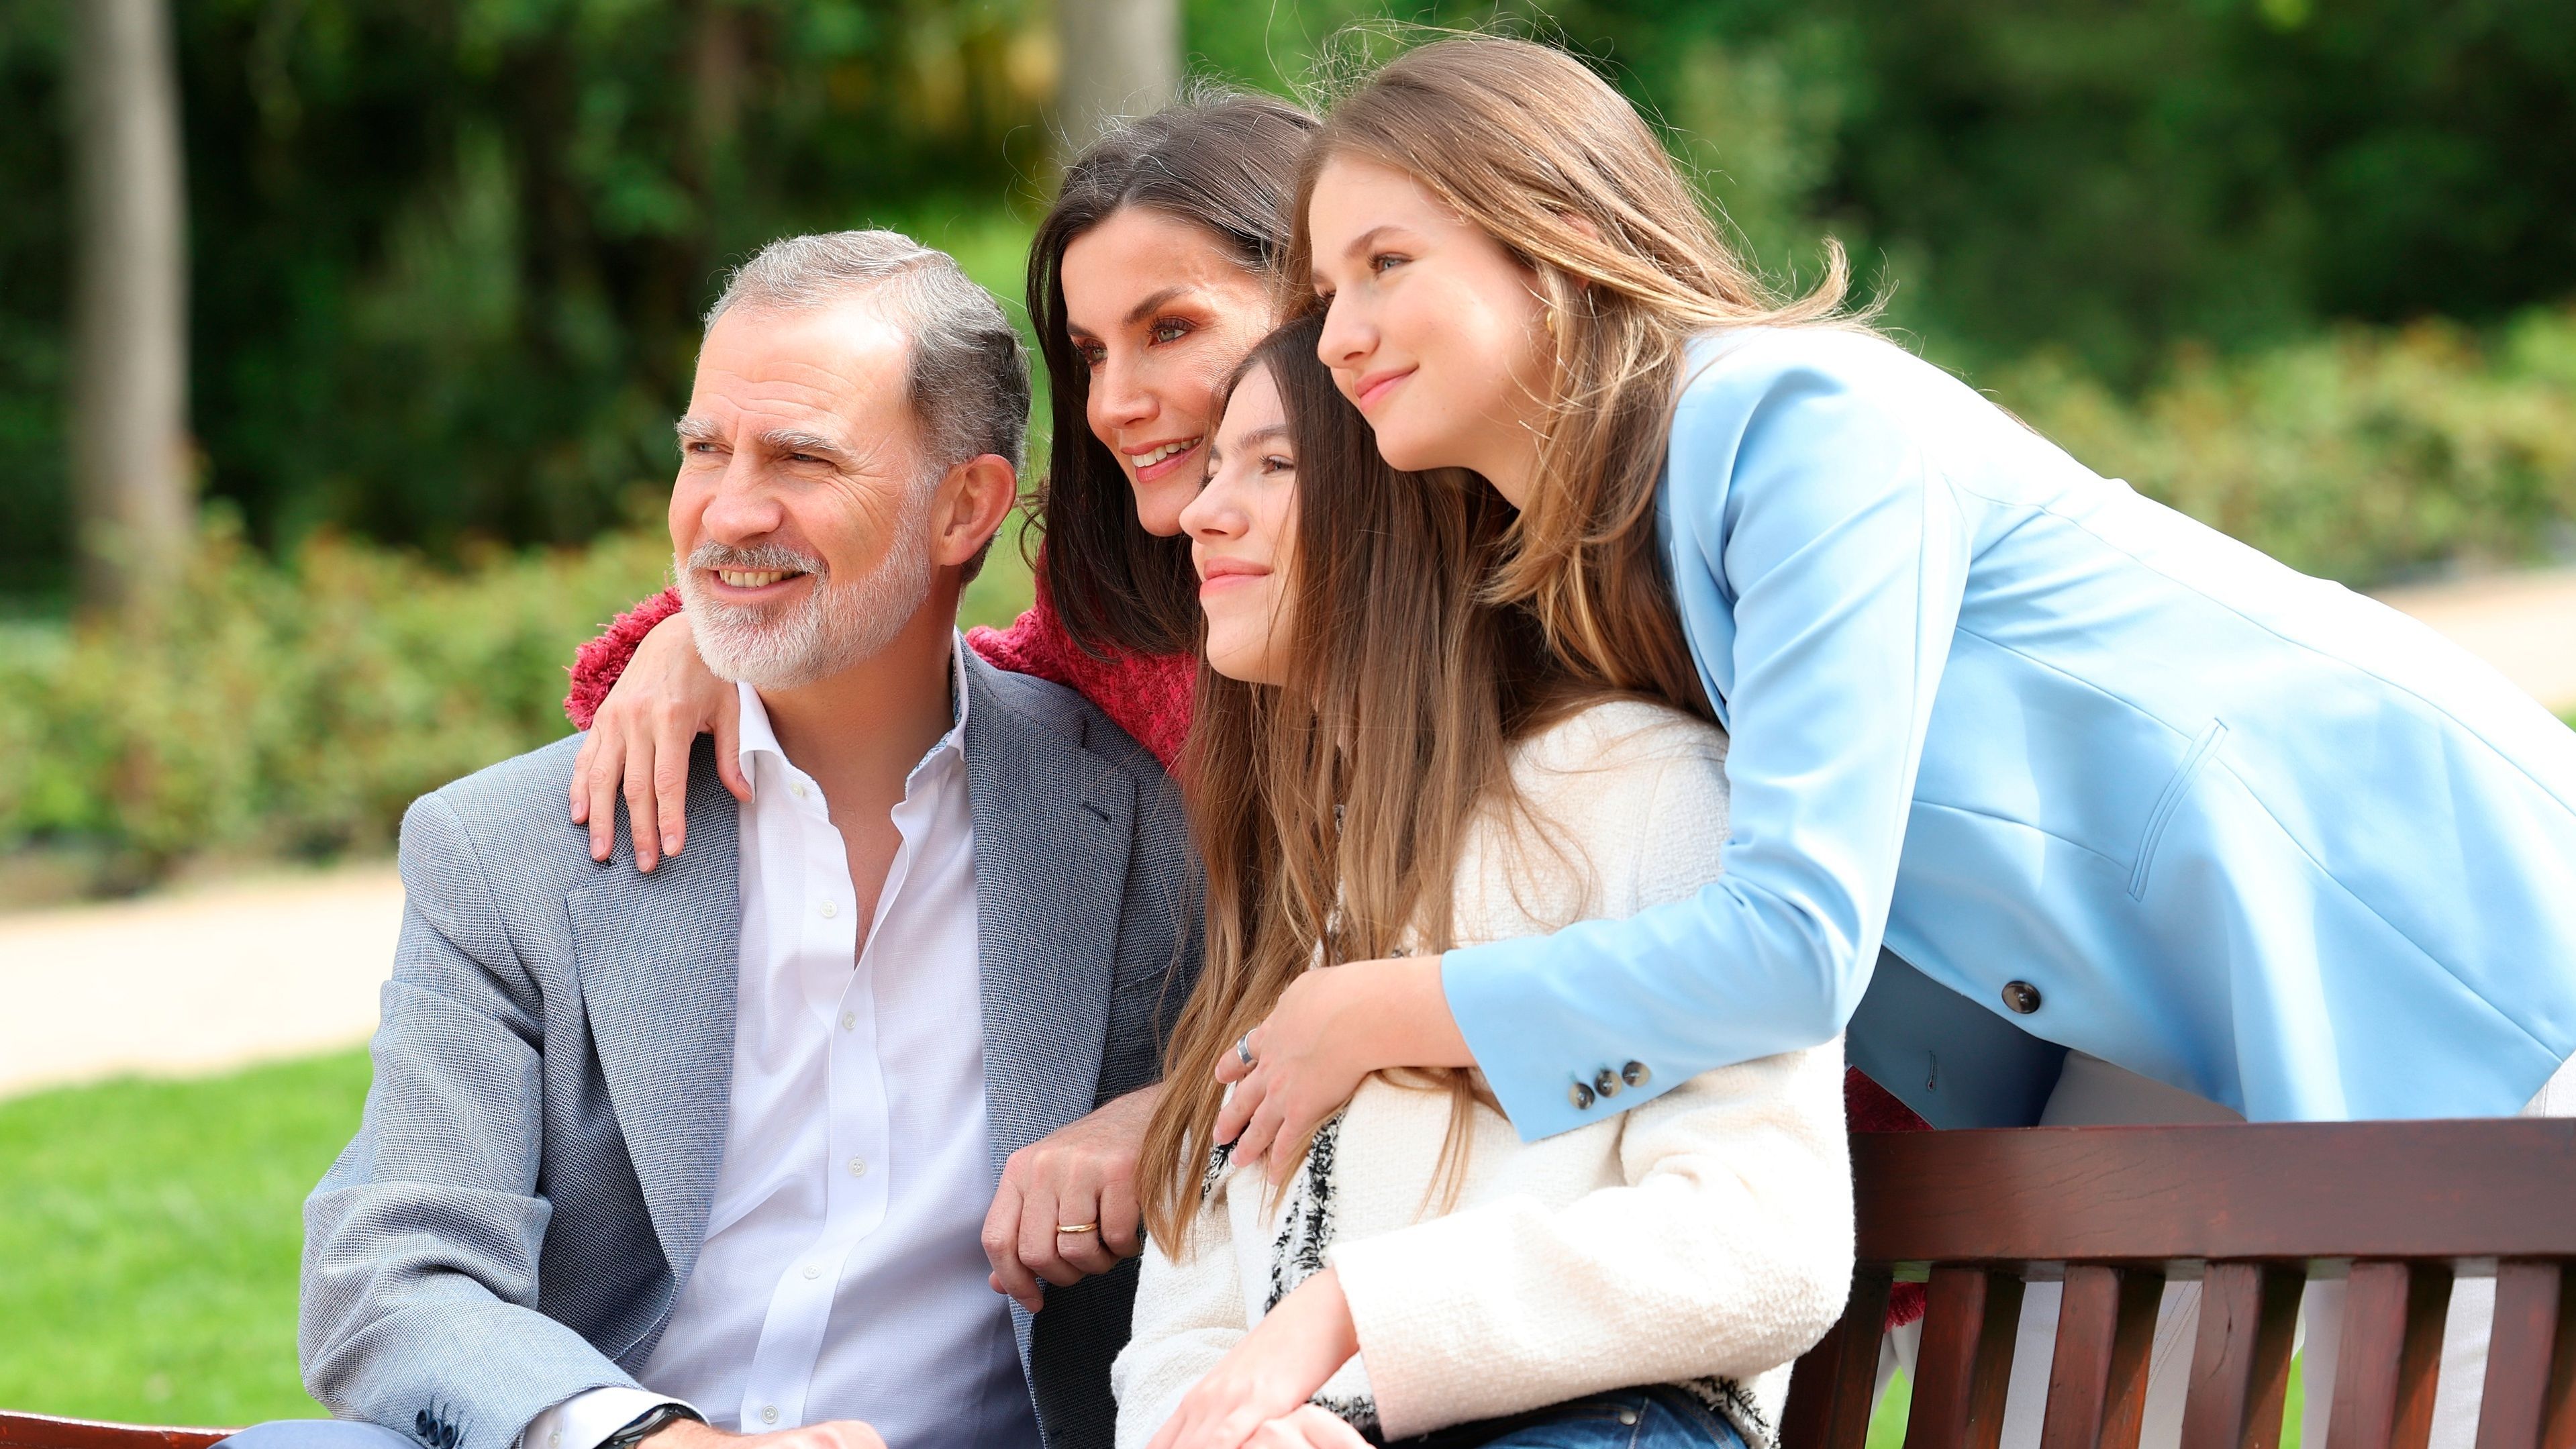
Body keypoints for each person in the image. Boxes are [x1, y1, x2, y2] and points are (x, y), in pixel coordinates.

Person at [1207, 33, 2576, 1449]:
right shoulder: (1604, 553)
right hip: (2150, 1024)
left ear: (1553, 229)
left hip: (2429, 925)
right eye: (1318, 294)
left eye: (1385, 263)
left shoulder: (1789, 423)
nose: (1338, 334)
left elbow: (1794, 941)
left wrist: (1380, 1009)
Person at [221, 232, 1200, 1449]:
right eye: (703, 450)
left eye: (799, 457)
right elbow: (394, 1274)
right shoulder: (505, 852)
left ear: (966, 508)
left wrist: (1167, 1113)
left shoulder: (1143, 824)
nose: (729, 511)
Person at [553, 93, 1322, 1313]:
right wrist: (706, 636)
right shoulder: (1139, 619)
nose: (1116, 400)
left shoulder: (1507, 614)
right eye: (1088, 353)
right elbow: (959, 673)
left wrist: (1172, 1109)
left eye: (1170, 328)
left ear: (1324, 303)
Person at [1114, 315, 1849, 1449]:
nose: (1205, 512)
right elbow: (1192, 1303)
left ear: (1407, 507)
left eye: (1271, 465)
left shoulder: (1635, 785)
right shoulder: (1297, 878)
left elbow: (1767, 1245)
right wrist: (1226, 1431)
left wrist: (1362, 1313)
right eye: (1212, 470)